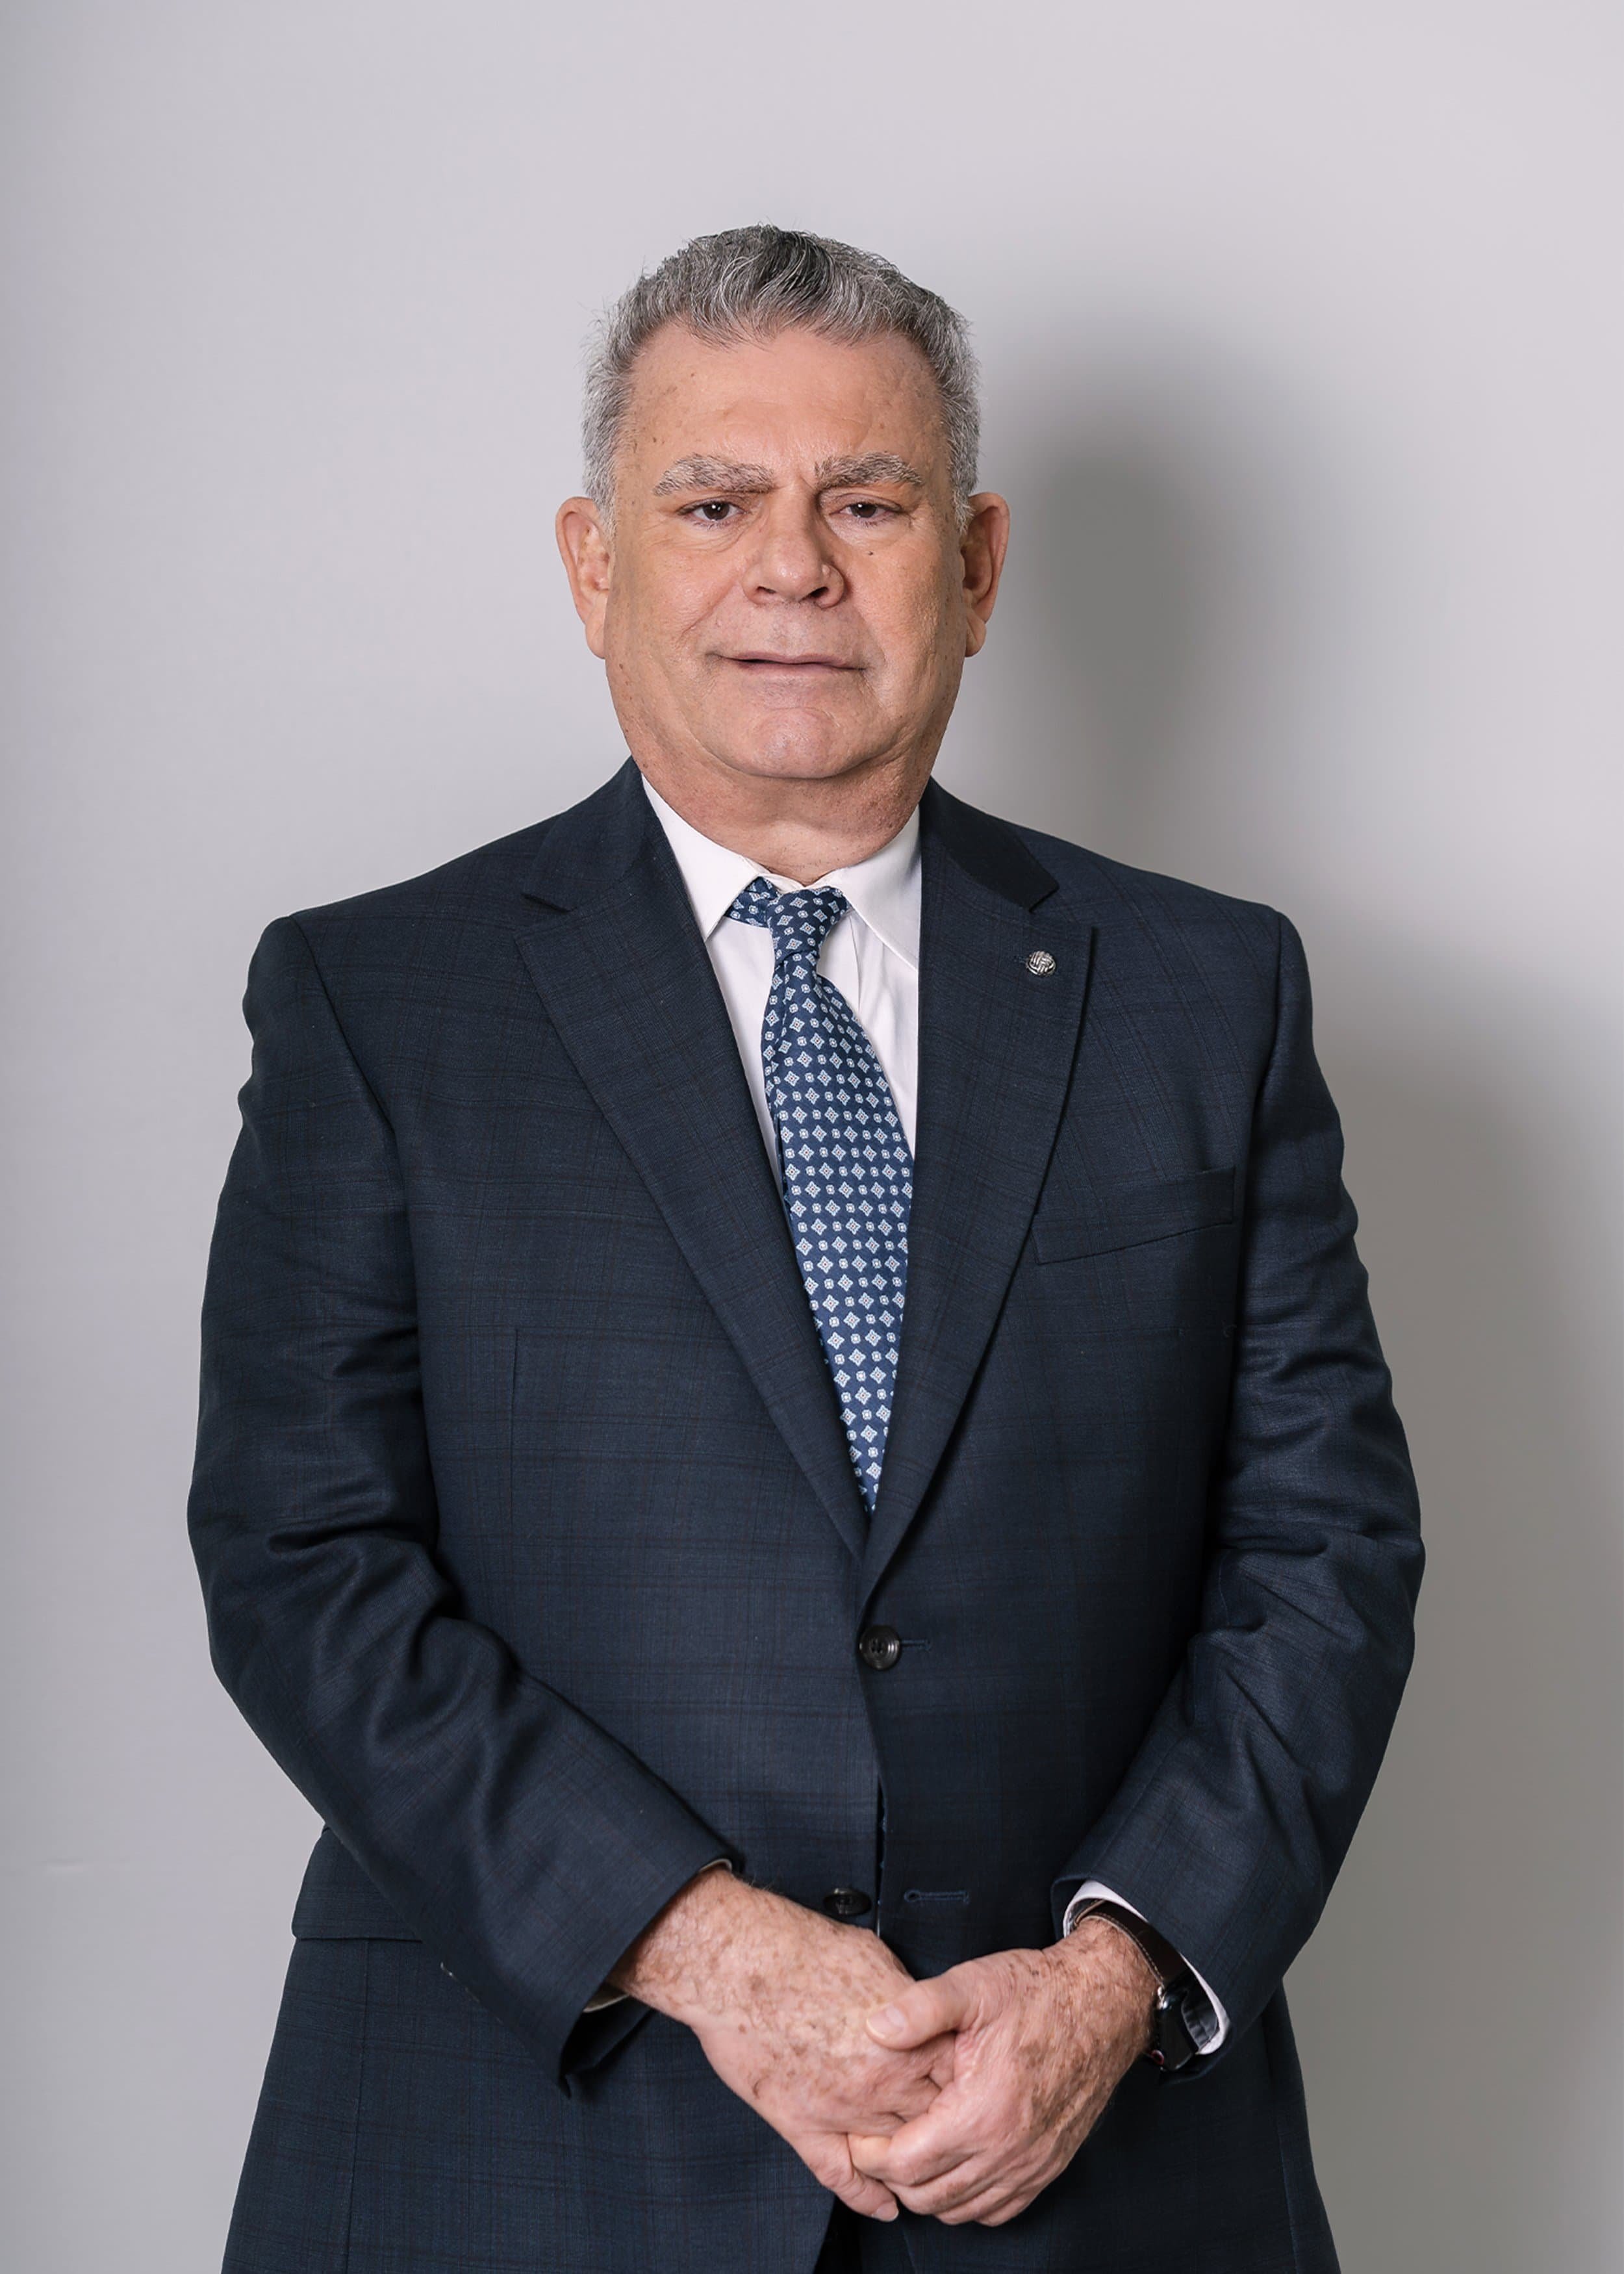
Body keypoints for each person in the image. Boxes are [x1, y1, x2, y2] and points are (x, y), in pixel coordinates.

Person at [190, 225, 1423, 2273]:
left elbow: (1324, 1549)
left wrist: (1106, 1979)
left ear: (977, 564)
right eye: (712, 504)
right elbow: (302, 1561)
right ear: (594, 566)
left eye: (867, 501)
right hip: (522, 2152)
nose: (794, 568)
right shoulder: (380, 1003)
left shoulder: (1205, 996)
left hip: (1082, 2152)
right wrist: (704, 1945)